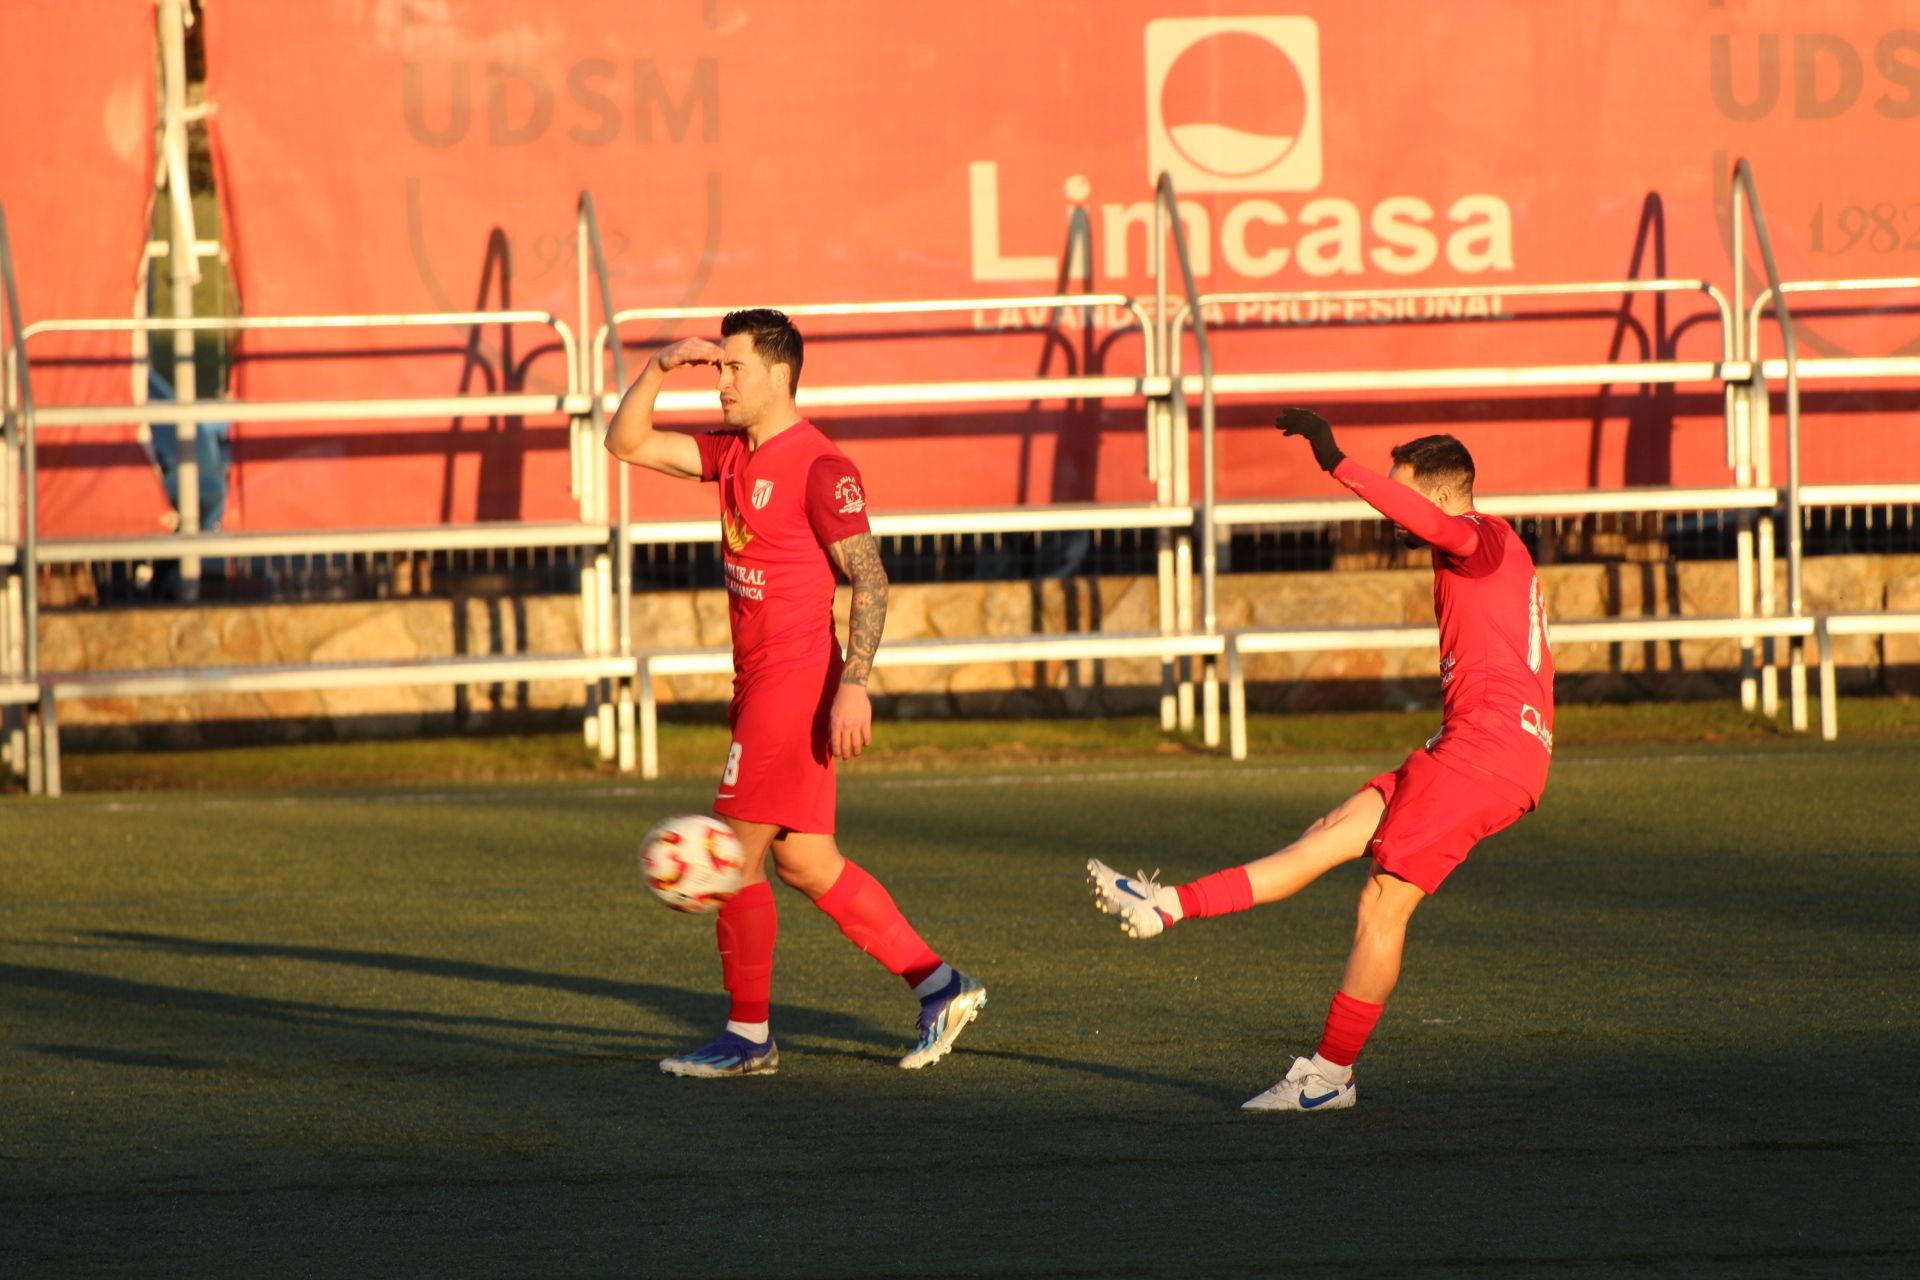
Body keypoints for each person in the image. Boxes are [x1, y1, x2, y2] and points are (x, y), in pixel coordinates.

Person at [1089, 408, 1554, 1112]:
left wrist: (1340, 462)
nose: (1394, 512)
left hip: (1488, 753)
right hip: (1471, 745)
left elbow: (1437, 525)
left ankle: (1329, 1077)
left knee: (1382, 903)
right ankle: (1169, 906)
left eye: (1405, 493)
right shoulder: (1492, 546)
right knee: (1329, 834)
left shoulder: (1479, 539)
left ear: (1443, 493)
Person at [606, 308, 987, 1078]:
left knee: (730, 861)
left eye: (733, 368)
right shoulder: (733, 456)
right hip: (757, 686)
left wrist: (855, 685)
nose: (721, 383)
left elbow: (871, 577)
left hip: (796, 685)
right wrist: (658, 368)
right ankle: (941, 986)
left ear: (779, 375)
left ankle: (748, 1039)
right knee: (809, 864)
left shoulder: (820, 467)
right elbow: (626, 443)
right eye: (718, 368)